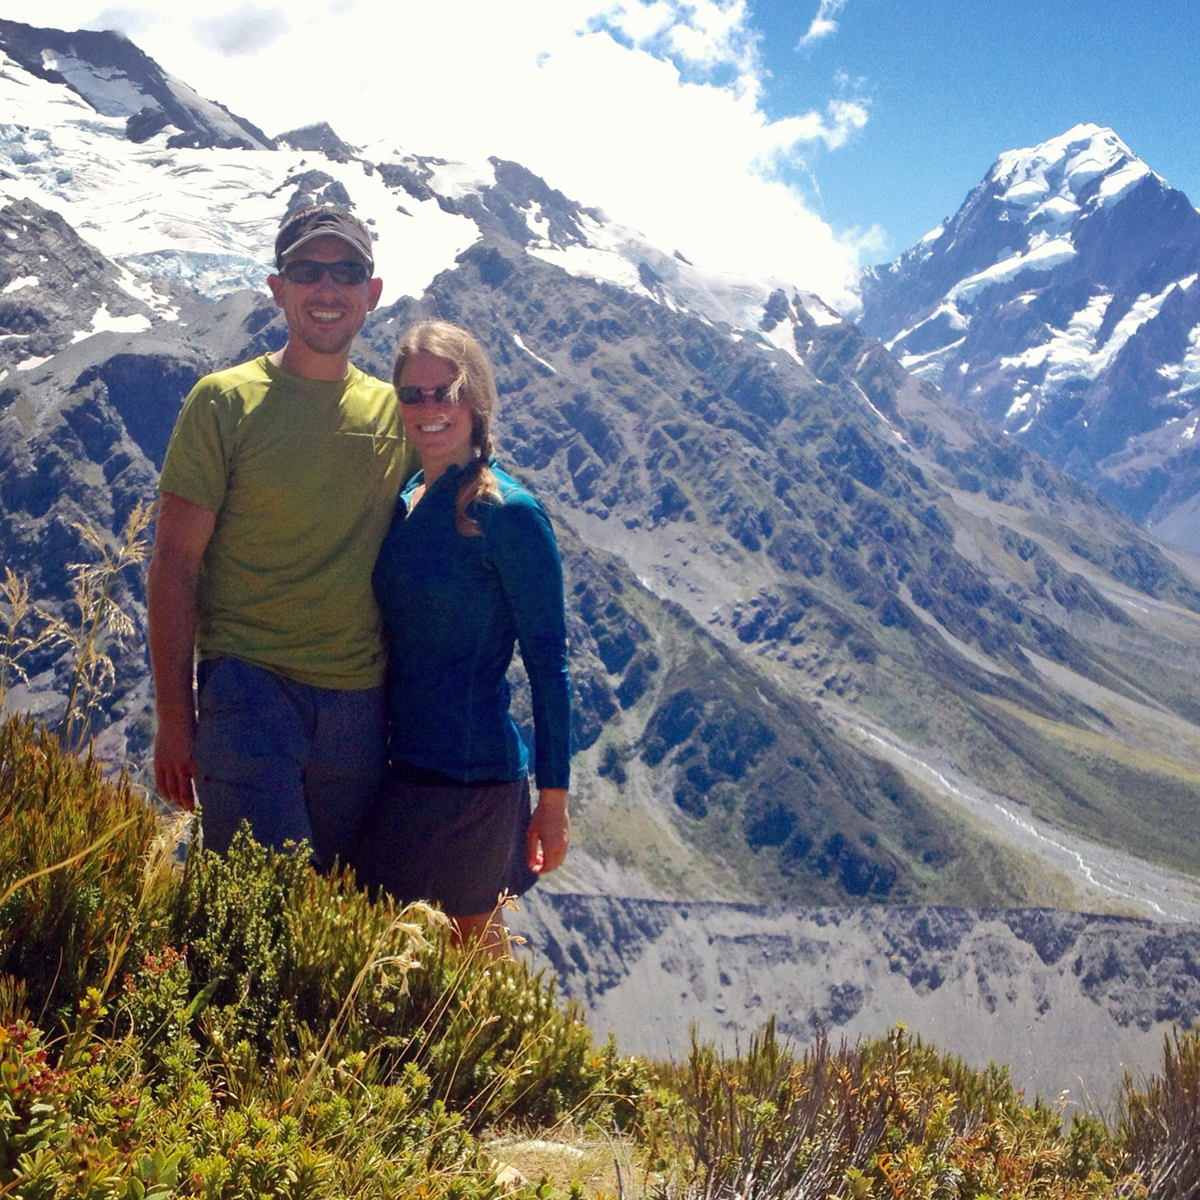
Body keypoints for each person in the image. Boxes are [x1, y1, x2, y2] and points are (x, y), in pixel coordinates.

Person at [147, 206, 408, 869]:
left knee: (330, 906)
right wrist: (175, 718)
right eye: (306, 270)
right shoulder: (222, 402)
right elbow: (174, 563)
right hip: (249, 691)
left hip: (359, 707)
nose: (327, 288)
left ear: (373, 292)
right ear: (277, 288)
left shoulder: (398, 414)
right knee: (260, 897)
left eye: (347, 271)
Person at [352, 320, 571, 955]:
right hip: (403, 768)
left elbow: (549, 668)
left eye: (445, 392)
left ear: (476, 399)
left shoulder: (509, 514)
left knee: (468, 961)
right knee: (397, 959)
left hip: (473, 780)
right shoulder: (407, 498)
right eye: (412, 394)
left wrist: (553, 801)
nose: (429, 408)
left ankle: (509, 1032)